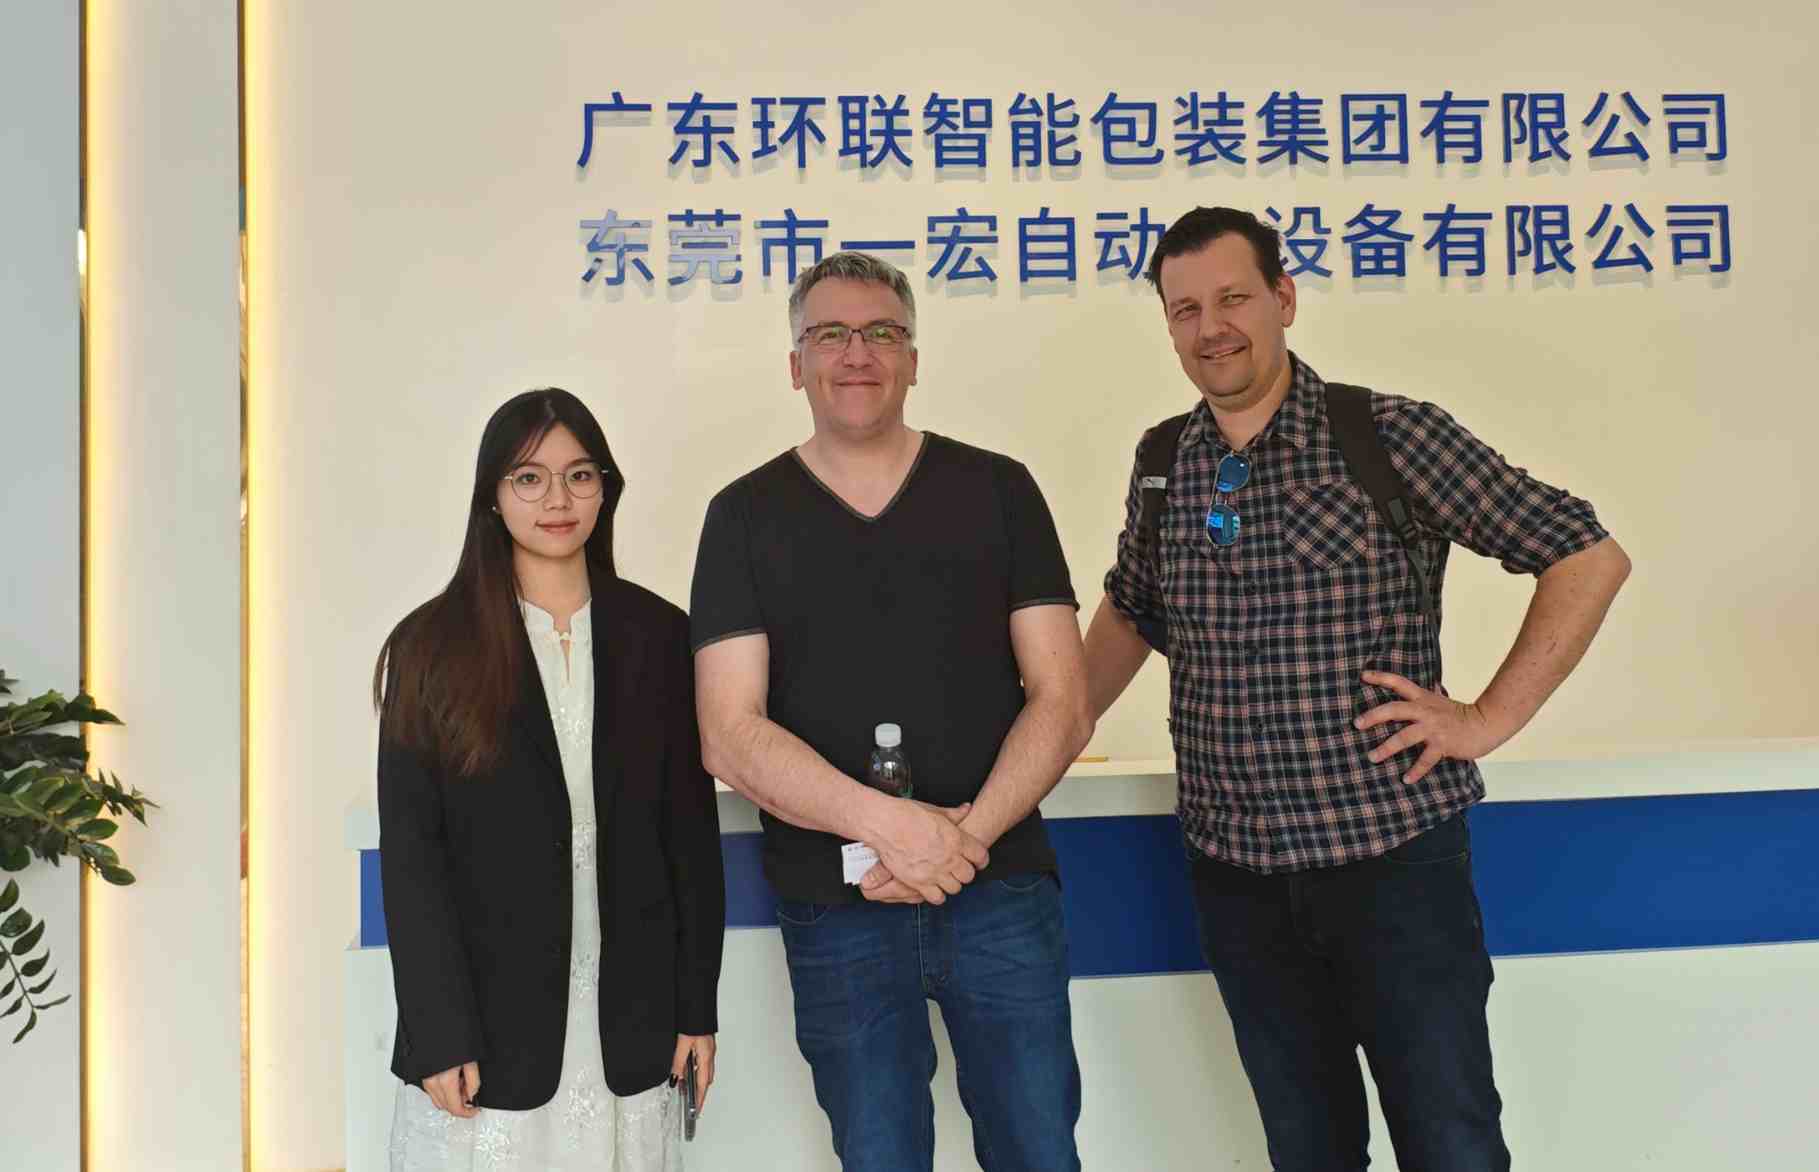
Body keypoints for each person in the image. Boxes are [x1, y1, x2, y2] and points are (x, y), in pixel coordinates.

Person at [1084, 206, 1633, 1172]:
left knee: (1449, 1141)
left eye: (1232, 299)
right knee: (1307, 1150)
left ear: (1284, 299)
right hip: (1235, 870)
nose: (1210, 327)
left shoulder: (1387, 434)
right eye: (1184, 309)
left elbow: (1585, 554)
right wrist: (1046, 733)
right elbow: (1131, 612)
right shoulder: (1164, 461)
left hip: (1390, 863)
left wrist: (1488, 717)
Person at [690, 252, 1093, 1172]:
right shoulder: (743, 517)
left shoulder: (999, 490)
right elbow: (730, 733)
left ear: (913, 358)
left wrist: (961, 843)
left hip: (1000, 890)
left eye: (881, 332)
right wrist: (895, 831)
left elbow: (1062, 701)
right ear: (796, 364)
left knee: (1038, 1151)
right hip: (836, 908)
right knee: (878, 1157)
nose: (856, 354)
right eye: (829, 334)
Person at [376, 388, 724, 1170]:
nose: (557, 500)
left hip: (628, 1013)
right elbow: (412, 855)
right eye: (528, 478)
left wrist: (695, 1006)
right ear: (492, 499)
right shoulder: (432, 646)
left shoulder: (661, 637)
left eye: (580, 475)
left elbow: (689, 841)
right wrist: (437, 1028)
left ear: (607, 488)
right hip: (485, 1025)